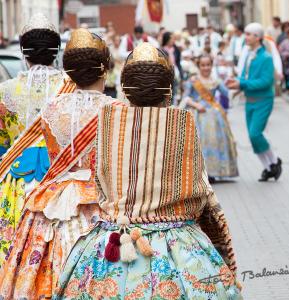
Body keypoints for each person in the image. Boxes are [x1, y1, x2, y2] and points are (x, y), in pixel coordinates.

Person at [47, 42, 242, 299]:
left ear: (126, 90)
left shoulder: (108, 121)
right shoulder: (183, 122)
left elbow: (102, 186)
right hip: (178, 244)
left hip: (117, 238)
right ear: (168, 91)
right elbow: (199, 190)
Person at [0, 28, 123, 299]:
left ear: (69, 72)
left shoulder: (52, 110)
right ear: (104, 71)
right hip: (102, 201)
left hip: (55, 200)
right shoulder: (117, 110)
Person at [0, 13, 70, 265]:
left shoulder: (6, 91)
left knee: (14, 253)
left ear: (23, 51)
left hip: (18, 178)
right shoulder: (70, 87)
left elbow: (2, 141)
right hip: (62, 180)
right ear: (56, 50)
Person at [226, 23, 282, 182]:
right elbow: (245, 76)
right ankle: (268, 168)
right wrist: (235, 81)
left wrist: (241, 84)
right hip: (250, 101)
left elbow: (266, 81)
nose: (246, 37)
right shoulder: (250, 54)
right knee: (253, 137)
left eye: (249, 34)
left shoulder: (266, 57)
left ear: (257, 37)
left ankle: (275, 161)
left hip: (263, 100)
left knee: (255, 133)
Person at [182, 54, 238, 182]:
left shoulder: (216, 81)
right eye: (203, 65)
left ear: (212, 66)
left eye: (208, 65)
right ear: (198, 66)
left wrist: (241, 87)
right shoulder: (193, 81)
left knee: (215, 142)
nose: (206, 67)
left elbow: (228, 94)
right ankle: (199, 172)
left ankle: (213, 171)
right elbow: (186, 98)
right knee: (200, 143)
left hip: (214, 115)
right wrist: (196, 105)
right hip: (198, 114)